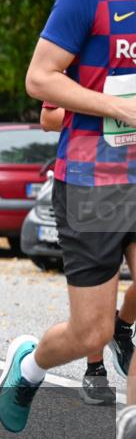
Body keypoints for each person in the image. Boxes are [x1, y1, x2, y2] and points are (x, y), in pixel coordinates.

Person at [0, 0, 136, 439]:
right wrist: (117, 106)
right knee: (91, 333)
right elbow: (40, 77)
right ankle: (29, 363)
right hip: (93, 178)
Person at [40, 101, 136, 404]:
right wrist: (113, 112)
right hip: (91, 179)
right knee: (97, 299)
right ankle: (94, 369)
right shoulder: (78, 71)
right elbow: (48, 118)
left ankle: (121, 326)